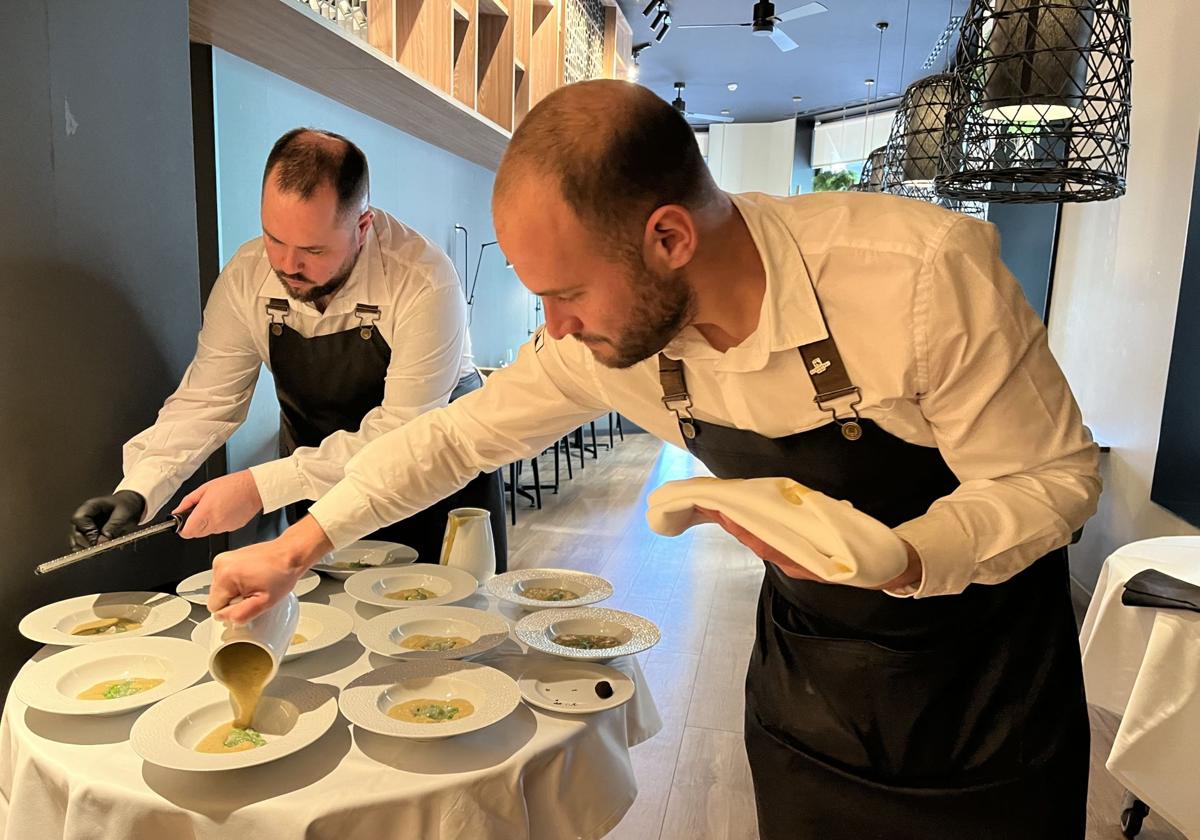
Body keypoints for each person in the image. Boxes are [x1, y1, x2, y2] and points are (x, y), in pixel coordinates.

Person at [204, 83, 1100, 839]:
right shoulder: (608, 349)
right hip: (813, 678)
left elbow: (1054, 479)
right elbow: (452, 437)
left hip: (988, 691)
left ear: (668, 238)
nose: (554, 328)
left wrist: (907, 558)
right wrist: (297, 547)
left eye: (566, 293)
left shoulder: (916, 276)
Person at [69, 128, 506, 569]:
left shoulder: (423, 278)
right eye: (273, 239)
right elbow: (206, 401)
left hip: (435, 494)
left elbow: (402, 435)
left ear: (362, 225)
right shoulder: (247, 275)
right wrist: (140, 489)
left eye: (313, 250)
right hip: (320, 492)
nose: (287, 265)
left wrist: (261, 486)